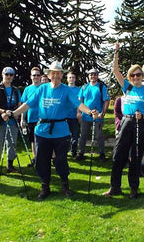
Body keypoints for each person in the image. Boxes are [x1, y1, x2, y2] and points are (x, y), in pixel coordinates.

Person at [12, 61, 98, 199]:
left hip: (61, 131)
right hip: (42, 131)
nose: (56, 75)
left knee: (61, 160)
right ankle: (45, 186)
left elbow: (78, 103)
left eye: (59, 73)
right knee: (42, 160)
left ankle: (65, 185)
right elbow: (28, 104)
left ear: (62, 75)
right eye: (54, 73)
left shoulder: (66, 90)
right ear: (49, 74)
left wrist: (89, 112)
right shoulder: (42, 88)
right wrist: (13, 113)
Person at [103, 42, 144, 199]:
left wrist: (143, 116)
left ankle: (134, 188)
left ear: (142, 76)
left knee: (136, 156)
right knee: (118, 154)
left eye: (138, 75)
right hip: (126, 122)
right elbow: (115, 70)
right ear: (130, 77)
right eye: (133, 75)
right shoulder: (127, 87)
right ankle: (115, 187)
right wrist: (116, 52)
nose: (136, 77)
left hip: (141, 124)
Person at [0, 67, 21, 177]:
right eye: (7, 74)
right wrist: (2, 112)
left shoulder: (16, 90)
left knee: (12, 144)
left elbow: (19, 105)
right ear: (2, 75)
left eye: (11, 75)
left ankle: (10, 165)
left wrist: (17, 114)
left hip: (12, 121)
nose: (9, 76)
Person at [76, 68, 110, 162]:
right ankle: (81, 153)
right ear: (88, 76)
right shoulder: (84, 87)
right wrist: (79, 112)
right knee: (83, 135)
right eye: (91, 74)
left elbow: (106, 101)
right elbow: (80, 101)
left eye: (95, 74)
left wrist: (103, 113)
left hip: (97, 116)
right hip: (85, 116)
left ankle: (102, 154)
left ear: (97, 76)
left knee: (99, 136)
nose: (93, 76)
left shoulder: (101, 87)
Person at [20, 67, 42, 167]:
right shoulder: (27, 89)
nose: (36, 77)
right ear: (31, 77)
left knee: (43, 140)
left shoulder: (45, 87)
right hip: (31, 118)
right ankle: (35, 158)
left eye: (38, 75)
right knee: (32, 139)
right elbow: (23, 105)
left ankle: (47, 158)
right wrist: (22, 119)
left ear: (40, 76)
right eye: (34, 75)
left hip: (43, 118)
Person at [66, 71, 81, 157]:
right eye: (70, 77)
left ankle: (73, 151)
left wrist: (79, 114)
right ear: (67, 79)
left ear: (75, 79)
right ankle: (64, 151)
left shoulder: (78, 90)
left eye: (73, 77)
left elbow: (80, 103)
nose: (71, 79)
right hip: (65, 117)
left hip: (75, 116)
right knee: (65, 136)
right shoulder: (64, 89)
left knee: (75, 136)